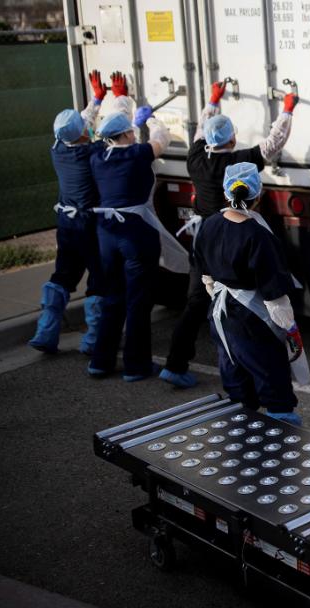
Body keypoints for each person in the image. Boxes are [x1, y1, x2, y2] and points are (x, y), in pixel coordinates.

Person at [159, 82, 299, 388]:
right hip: (233, 233)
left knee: (198, 301)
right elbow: (273, 144)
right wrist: (287, 109)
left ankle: (176, 362)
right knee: (248, 296)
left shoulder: (195, 157)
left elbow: (199, 132)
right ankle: (261, 358)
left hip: (205, 237)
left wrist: (212, 101)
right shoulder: (239, 162)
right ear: (233, 139)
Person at [87, 72, 189, 380]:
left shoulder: (96, 155)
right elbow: (161, 141)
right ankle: (136, 365)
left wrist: (120, 104)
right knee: (138, 300)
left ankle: (100, 361)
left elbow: (95, 132)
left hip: (106, 234)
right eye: (130, 132)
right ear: (126, 135)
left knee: (112, 297)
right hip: (135, 234)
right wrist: (152, 120)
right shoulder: (137, 154)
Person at [194, 162, 306, 425]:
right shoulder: (258, 235)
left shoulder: (208, 224)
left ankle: (242, 440)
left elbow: (205, 274)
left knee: (236, 382)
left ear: (225, 193)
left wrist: (216, 294)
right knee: (272, 383)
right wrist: (289, 329)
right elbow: (274, 295)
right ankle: (281, 439)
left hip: (221, 316)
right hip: (253, 323)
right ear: (259, 195)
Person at [29, 71, 111, 354]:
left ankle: (46, 331)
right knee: (98, 278)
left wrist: (97, 99)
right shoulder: (94, 153)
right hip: (89, 224)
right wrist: (118, 101)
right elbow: (111, 137)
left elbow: (77, 127)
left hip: (66, 224)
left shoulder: (58, 149)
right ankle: (92, 340)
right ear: (83, 133)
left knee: (63, 274)